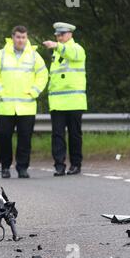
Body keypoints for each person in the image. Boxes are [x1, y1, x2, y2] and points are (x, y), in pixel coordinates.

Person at [0, 26, 48, 179]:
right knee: (4, 138)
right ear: (12, 38)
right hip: (6, 106)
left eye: (23, 37)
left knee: (25, 139)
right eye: (18, 37)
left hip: (26, 106)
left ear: (26, 38)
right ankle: (6, 167)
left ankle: (22, 168)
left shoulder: (33, 55)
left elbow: (43, 74)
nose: (21, 40)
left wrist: (34, 91)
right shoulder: (2, 54)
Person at [43, 22, 87, 176]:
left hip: (74, 101)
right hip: (57, 103)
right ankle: (59, 166)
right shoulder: (57, 54)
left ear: (70, 34)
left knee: (75, 135)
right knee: (57, 136)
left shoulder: (77, 49)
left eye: (61, 34)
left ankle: (76, 164)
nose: (59, 37)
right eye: (57, 35)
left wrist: (56, 45)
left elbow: (70, 53)